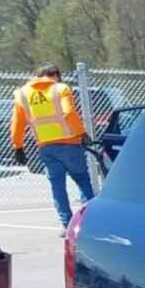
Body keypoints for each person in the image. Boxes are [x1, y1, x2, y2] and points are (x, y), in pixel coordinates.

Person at [11, 64, 96, 227]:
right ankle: (89, 222)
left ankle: (67, 224)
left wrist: (18, 146)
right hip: (70, 143)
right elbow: (69, 113)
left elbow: (17, 123)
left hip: (46, 148)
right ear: (55, 75)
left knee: (57, 186)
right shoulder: (60, 89)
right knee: (82, 180)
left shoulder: (22, 94)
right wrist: (82, 134)